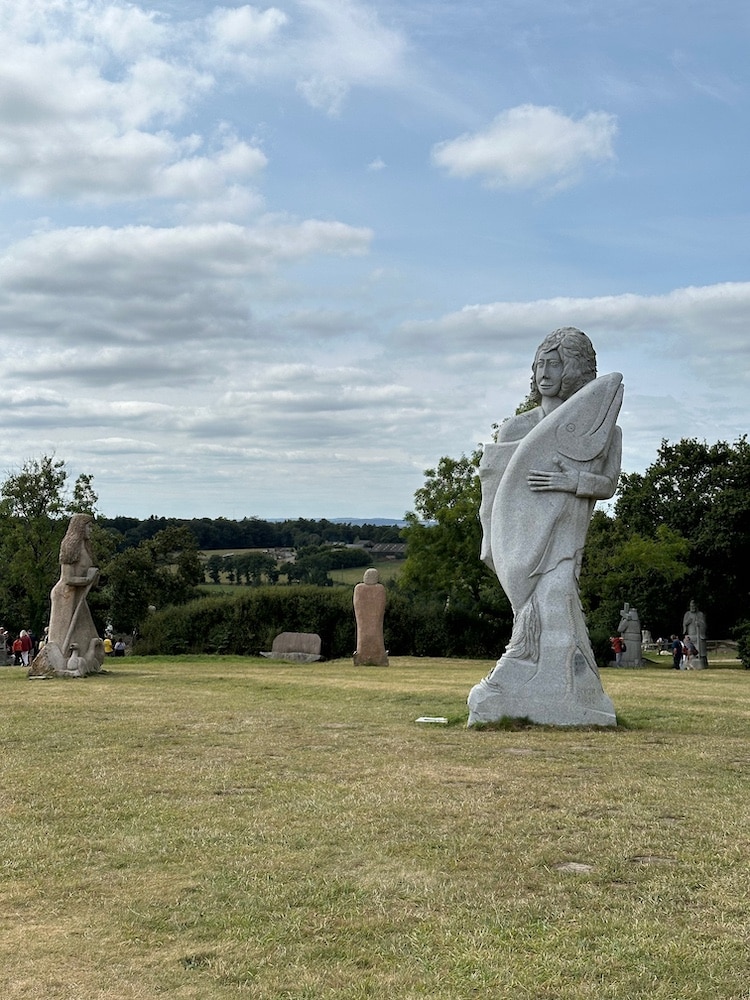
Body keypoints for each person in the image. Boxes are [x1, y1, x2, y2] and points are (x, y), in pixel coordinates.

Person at [469, 327, 623, 726]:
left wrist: (571, 481)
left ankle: (548, 687)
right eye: (539, 364)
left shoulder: (606, 430)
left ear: (573, 369)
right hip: (520, 543)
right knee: (545, 610)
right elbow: (496, 496)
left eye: (554, 363)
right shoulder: (515, 429)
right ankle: (563, 687)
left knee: (555, 604)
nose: (544, 372)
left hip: (566, 538)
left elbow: (607, 486)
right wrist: (491, 540)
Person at [28, 514, 104, 677]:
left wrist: (92, 578)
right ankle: (61, 664)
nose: (90, 530)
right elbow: (68, 579)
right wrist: (87, 579)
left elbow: (86, 575)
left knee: (86, 631)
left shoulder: (86, 548)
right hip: (65, 596)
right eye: (88, 526)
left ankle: (87, 663)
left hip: (78, 596)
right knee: (63, 637)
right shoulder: (70, 546)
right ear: (80, 527)